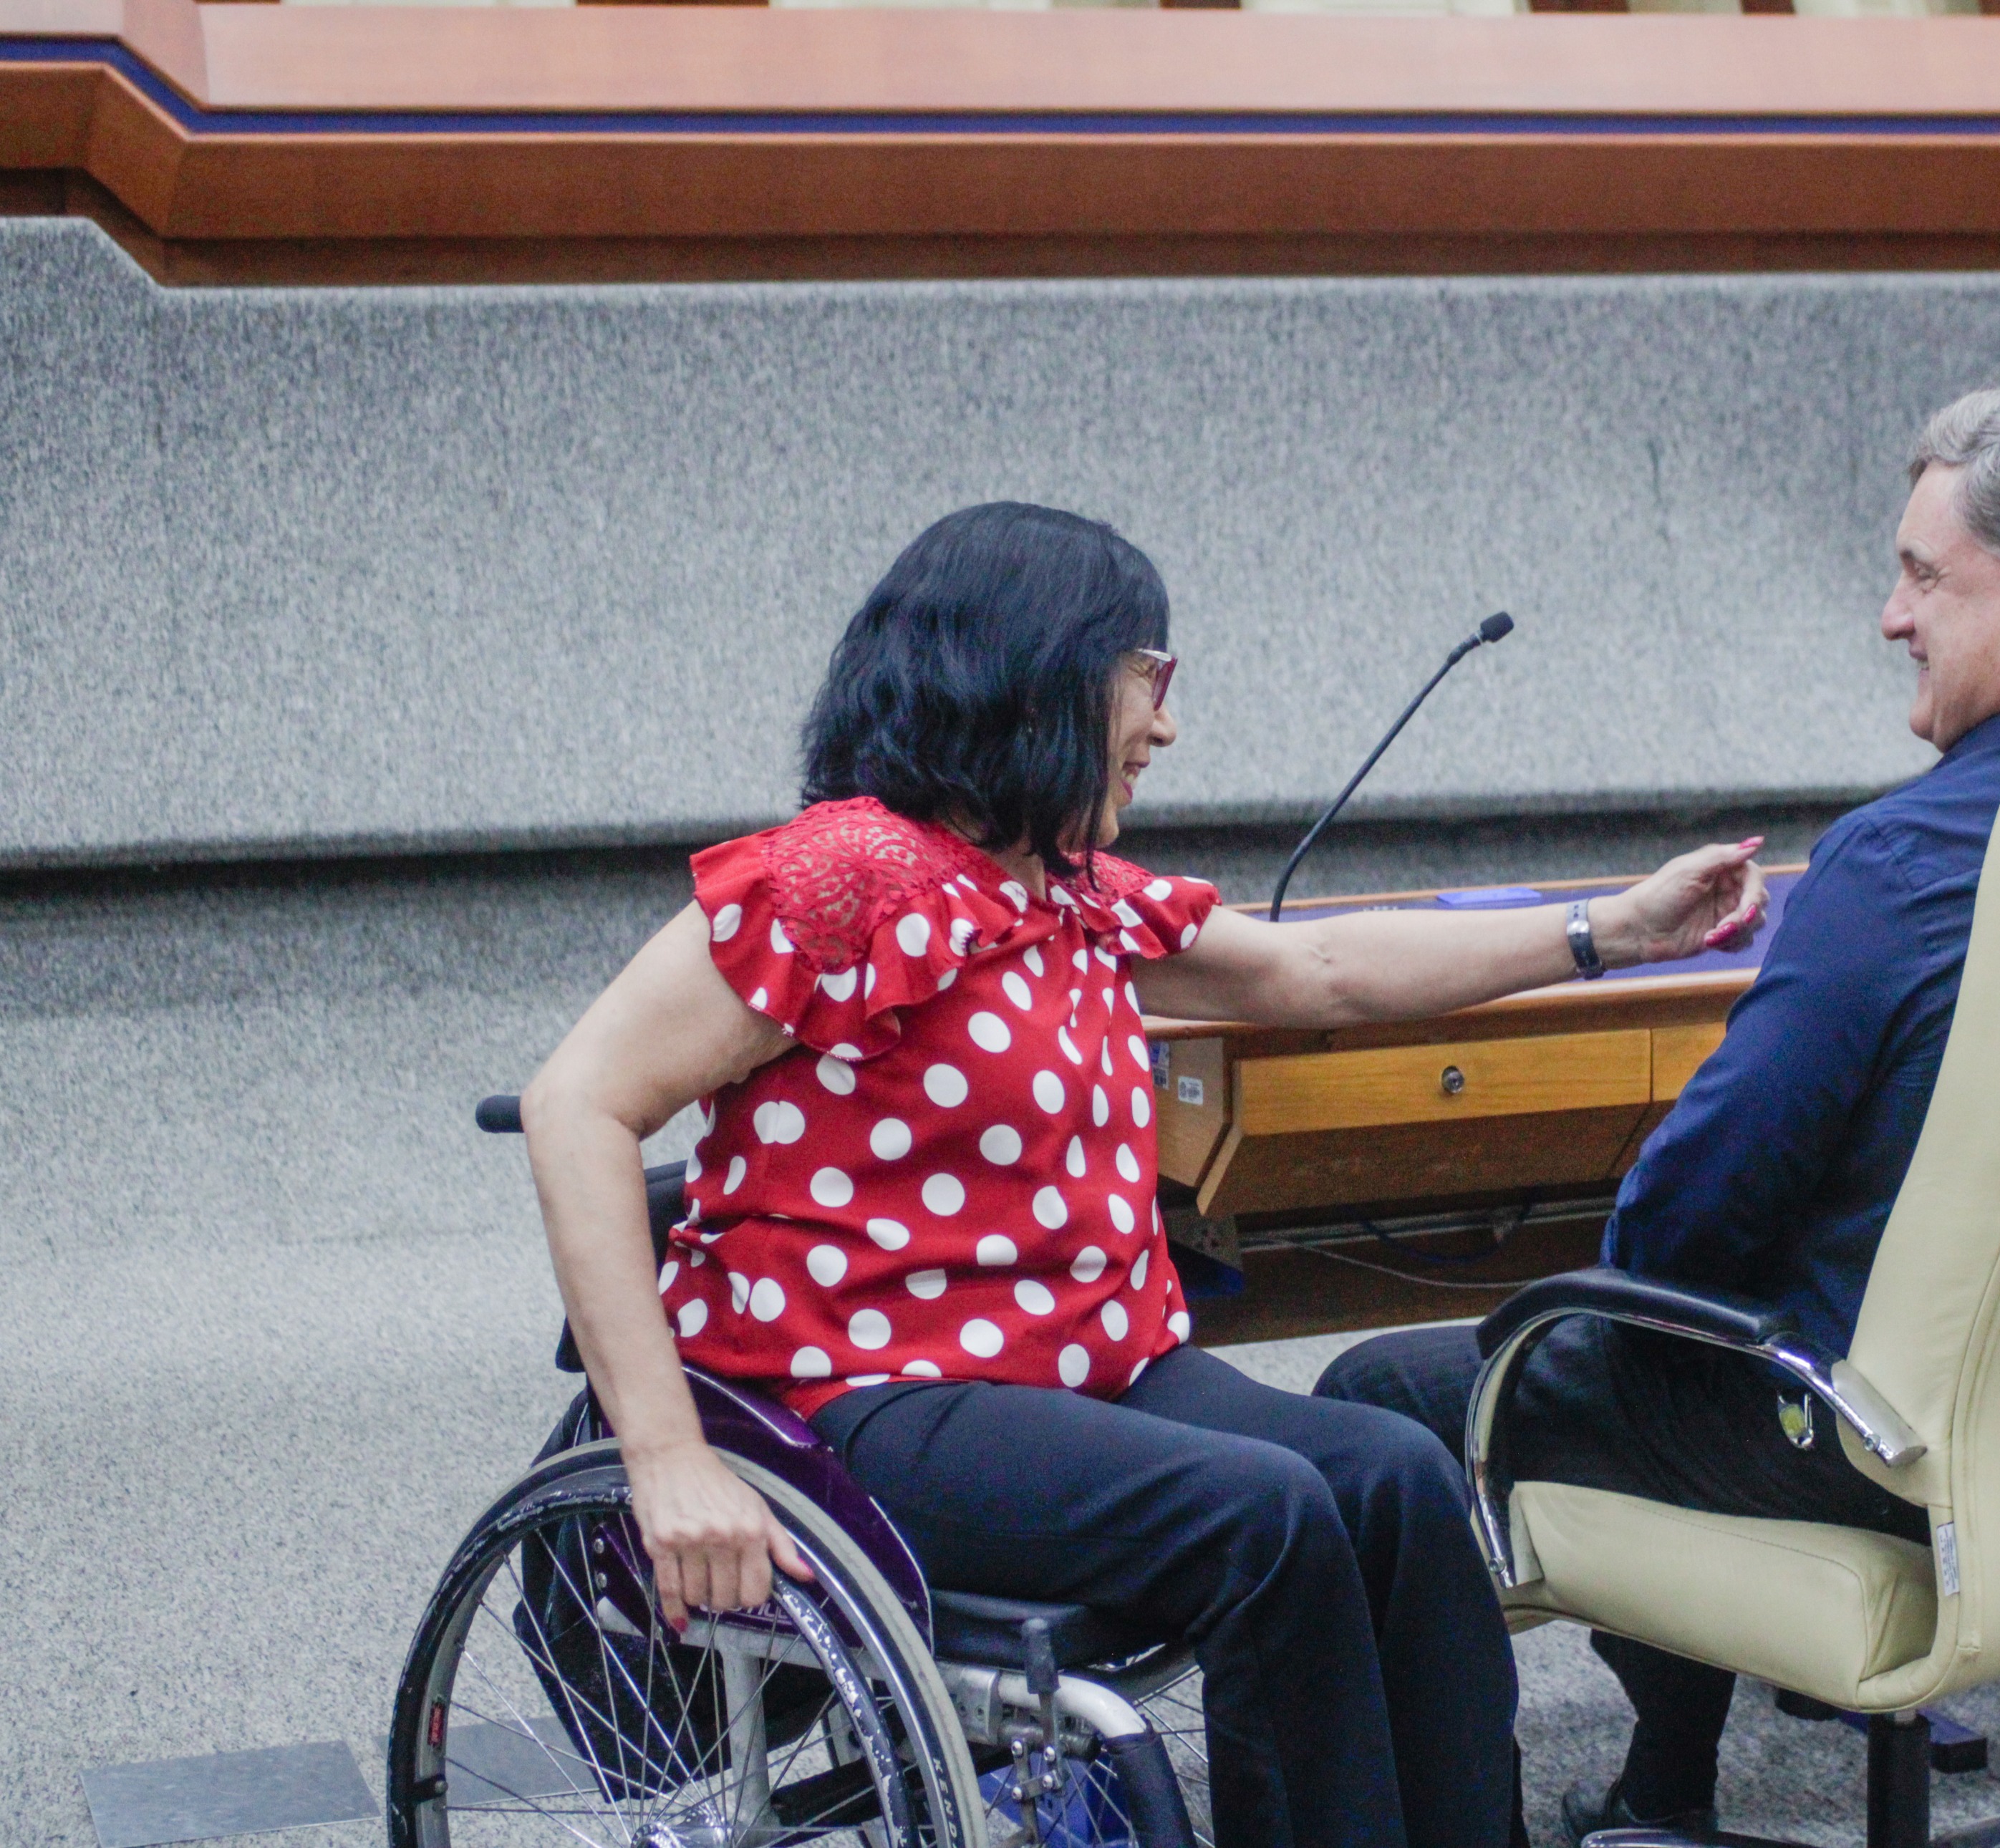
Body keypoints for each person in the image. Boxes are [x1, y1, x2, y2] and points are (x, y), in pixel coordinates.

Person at [518, 500, 1773, 1848]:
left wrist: (1613, 930)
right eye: (1147, 676)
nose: (1165, 725)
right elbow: (576, 1101)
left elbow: (1319, 971)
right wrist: (664, 1456)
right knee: (1266, 1518)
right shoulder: (840, 878)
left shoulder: (1062, 889)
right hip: (867, 1396)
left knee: (1398, 1477)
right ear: (1040, 672)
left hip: (1078, 1368)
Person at [1315, 382, 2000, 1841]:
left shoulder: (1899, 862)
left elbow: (1689, 1214)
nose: (1889, 614)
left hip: (1884, 1447)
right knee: (1676, 1340)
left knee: (1402, 1392)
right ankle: (1659, 1783)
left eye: (1922, 575)